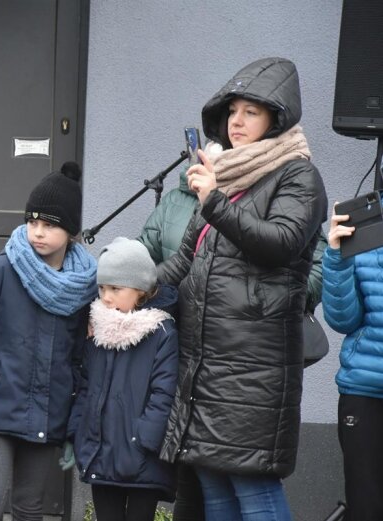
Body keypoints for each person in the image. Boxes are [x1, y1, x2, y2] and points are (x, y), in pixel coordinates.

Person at [156, 57, 328, 521]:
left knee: (254, 494)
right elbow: (183, 261)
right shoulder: (226, 178)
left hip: (254, 372)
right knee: (215, 491)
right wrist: (133, 292)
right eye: (233, 111)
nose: (237, 121)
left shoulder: (298, 176)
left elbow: (281, 244)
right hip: (204, 367)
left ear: (276, 118)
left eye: (251, 112)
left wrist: (212, 201)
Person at [0, 162, 97, 521]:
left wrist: (74, 426)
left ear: (71, 232)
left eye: (50, 225)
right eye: (32, 222)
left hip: (48, 413)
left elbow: (80, 360)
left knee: (30, 509)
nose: (38, 233)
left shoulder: (82, 287)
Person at [69, 237, 178, 521]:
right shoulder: (96, 331)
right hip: (100, 452)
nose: (106, 297)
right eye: (102, 288)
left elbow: (163, 392)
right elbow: (85, 386)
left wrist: (144, 440)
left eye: (116, 288)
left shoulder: (161, 332)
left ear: (141, 290)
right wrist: (78, 435)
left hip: (142, 456)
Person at [322, 202, 383, 521]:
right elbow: (343, 319)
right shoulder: (365, 223)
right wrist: (336, 256)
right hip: (365, 392)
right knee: (366, 508)